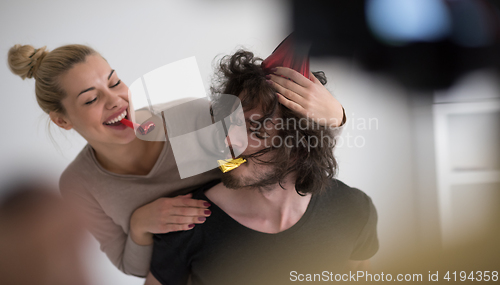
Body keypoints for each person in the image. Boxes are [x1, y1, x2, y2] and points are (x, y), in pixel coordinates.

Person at [6, 41, 345, 277]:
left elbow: (280, 140)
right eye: (92, 98)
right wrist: (140, 225)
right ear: (62, 120)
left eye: (115, 82)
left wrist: (337, 115)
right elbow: (135, 268)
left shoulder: (187, 117)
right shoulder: (78, 184)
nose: (116, 102)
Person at [146, 50, 378, 285]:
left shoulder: (353, 210)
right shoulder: (185, 224)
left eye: (254, 129)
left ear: (298, 149)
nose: (227, 140)